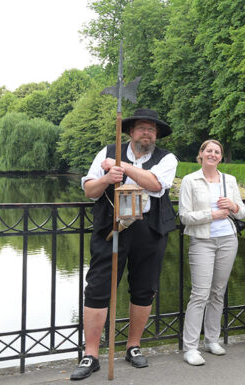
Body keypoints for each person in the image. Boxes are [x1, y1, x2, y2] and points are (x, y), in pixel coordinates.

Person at [71, 109, 178, 380]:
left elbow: (155, 184)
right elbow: (89, 190)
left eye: (151, 130)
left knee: (144, 288)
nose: (147, 133)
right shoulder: (106, 152)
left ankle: (133, 346)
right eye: (142, 128)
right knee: (97, 287)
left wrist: (123, 168)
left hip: (149, 228)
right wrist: (107, 177)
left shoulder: (166, 158)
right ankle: (91, 354)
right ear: (131, 131)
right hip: (112, 227)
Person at [178, 140, 245, 365]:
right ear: (201, 154)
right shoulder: (190, 180)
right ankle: (190, 347)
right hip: (202, 241)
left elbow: (242, 213)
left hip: (228, 239)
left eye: (217, 152)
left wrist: (234, 207)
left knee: (218, 292)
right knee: (200, 294)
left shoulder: (230, 180)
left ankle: (211, 339)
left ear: (220, 156)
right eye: (209, 150)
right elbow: (184, 216)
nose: (213, 154)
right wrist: (211, 214)